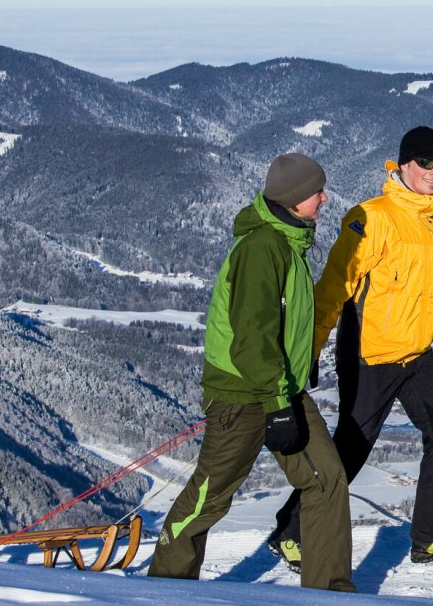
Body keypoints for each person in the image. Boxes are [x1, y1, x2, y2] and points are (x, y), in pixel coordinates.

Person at [269, 126, 433, 566]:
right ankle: (291, 531)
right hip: (370, 353)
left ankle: (430, 538)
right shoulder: (371, 217)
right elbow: (332, 289)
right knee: (352, 447)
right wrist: (308, 350)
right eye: (426, 163)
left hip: (416, 352)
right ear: (403, 163)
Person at [149, 153, 354, 592]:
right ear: (297, 198)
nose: (325, 197)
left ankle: (331, 592)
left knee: (327, 478)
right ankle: (163, 585)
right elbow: (251, 337)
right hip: (243, 397)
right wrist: (278, 406)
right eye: (318, 191)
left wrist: (296, 375)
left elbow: (285, 323)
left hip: (282, 389)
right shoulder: (263, 248)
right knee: (211, 494)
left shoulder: (290, 241)